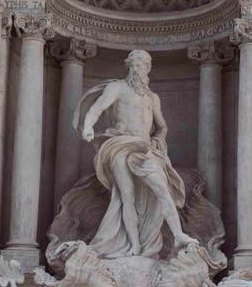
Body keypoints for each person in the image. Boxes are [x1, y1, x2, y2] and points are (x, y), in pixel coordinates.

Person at [74, 49, 197, 259]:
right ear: (128, 67)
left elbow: (162, 126)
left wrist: (158, 141)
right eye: (133, 65)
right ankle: (134, 245)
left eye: (141, 65)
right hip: (120, 145)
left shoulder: (152, 98)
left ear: (148, 68)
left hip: (144, 148)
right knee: (126, 196)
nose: (136, 69)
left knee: (163, 190)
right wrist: (88, 127)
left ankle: (178, 235)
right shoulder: (117, 88)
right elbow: (97, 108)